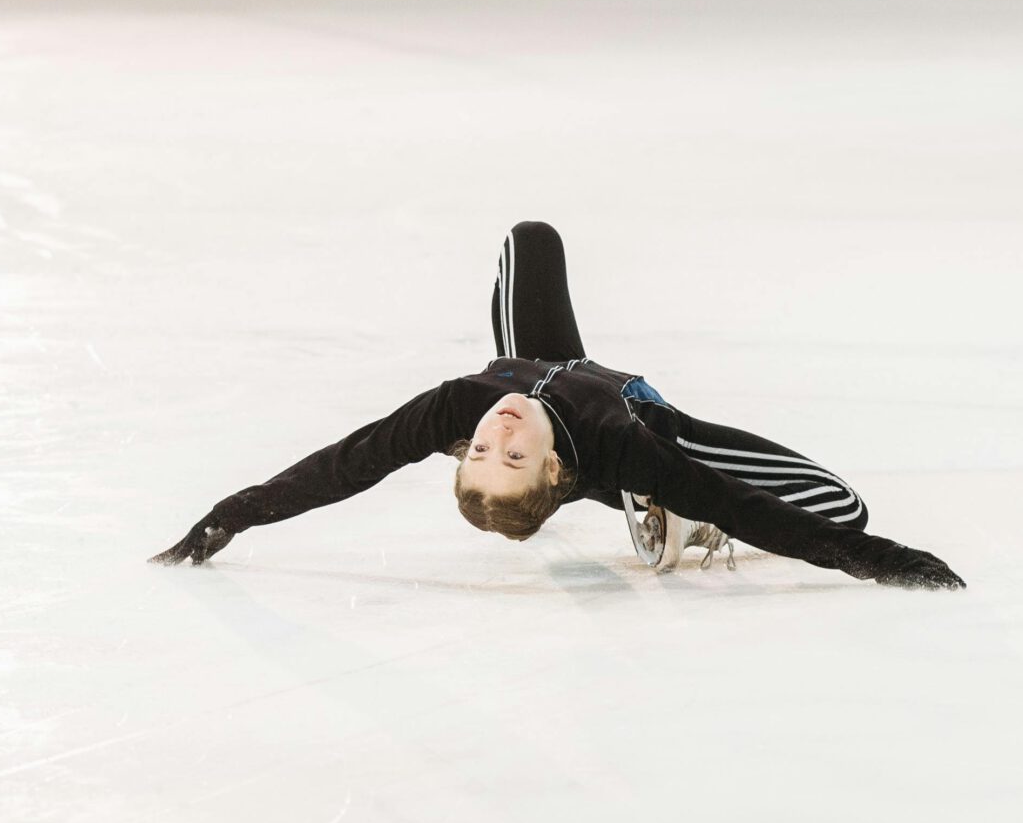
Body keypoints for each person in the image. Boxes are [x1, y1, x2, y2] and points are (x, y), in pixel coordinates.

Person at [150, 222, 964, 590]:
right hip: (652, 425)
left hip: (544, 358)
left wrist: (235, 512)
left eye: (478, 450)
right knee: (842, 508)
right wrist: (881, 558)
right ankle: (672, 510)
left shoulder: (460, 404)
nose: (495, 434)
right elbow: (750, 507)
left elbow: (347, 465)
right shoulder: (615, 441)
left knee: (530, 239)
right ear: (552, 469)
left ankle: (657, 503)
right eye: (512, 457)